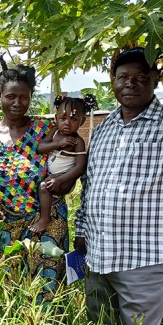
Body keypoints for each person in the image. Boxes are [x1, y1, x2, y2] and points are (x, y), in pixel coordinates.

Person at [74, 46, 163, 325]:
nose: (131, 84)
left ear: (155, 81)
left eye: (141, 77)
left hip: (146, 260)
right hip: (98, 257)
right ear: (113, 82)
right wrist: (81, 232)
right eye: (123, 77)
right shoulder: (106, 127)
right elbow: (90, 184)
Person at [0, 58, 75, 298]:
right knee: (11, 293)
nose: (17, 103)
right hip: (7, 226)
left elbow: (71, 159)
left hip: (48, 222)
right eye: (10, 97)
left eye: (24, 97)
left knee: (45, 291)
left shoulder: (45, 129)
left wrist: (64, 182)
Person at [31, 95, 95, 234]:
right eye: (63, 118)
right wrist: (58, 144)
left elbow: (80, 167)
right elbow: (40, 148)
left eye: (73, 119)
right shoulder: (54, 132)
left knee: (43, 187)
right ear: (56, 118)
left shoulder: (78, 142)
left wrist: (60, 179)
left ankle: (45, 219)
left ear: (82, 121)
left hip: (65, 179)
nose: (67, 123)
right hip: (52, 175)